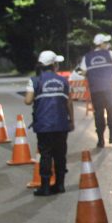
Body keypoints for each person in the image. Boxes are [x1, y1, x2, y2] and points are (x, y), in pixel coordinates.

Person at [24, 50, 74, 196]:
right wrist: (72, 121)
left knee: (46, 154)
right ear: (54, 65)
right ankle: (60, 185)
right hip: (61, 124)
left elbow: (27, 101)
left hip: (44, 125)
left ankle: (45, 187)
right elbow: (69, 103)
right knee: (60, 154)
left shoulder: (34, 81)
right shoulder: (64, 81)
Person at [79, 33, 112, 148]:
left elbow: (83, 72)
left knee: (99, 113)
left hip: (96, 89)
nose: (108, 45)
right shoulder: (111, 54)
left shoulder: (86, 57)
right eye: (106, 43)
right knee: (111, 111)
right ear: (100, 44)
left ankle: (100, 140)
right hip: (110, 88)